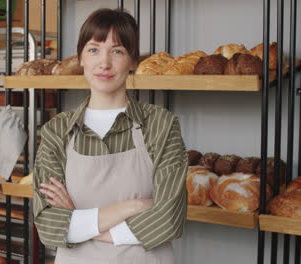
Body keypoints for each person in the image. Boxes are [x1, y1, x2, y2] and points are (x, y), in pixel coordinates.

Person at [32, 8, 188, 264]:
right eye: (93, 49)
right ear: (81, 57)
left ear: (133, 61)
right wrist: (133, 207)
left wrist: (78, 220)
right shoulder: (56, 131)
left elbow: (168, 218)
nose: (104, 63)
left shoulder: (161, 124)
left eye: (117, 51)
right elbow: (49, 226)